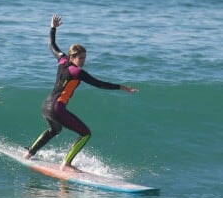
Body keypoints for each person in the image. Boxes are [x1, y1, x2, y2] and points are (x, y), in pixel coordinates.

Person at [24, 15, 138, 169]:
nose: (83, 61)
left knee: (55, 130)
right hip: (57, 108)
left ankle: (29, 153)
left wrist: (52, 28)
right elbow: (99, 84)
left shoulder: (63, 60)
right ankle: (66, 163)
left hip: (46, 105)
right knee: (86, 133)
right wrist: (122, 87)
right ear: (73, 57)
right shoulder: (76, 72)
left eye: (85, 58)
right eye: (81, 58)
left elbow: (52, 45)